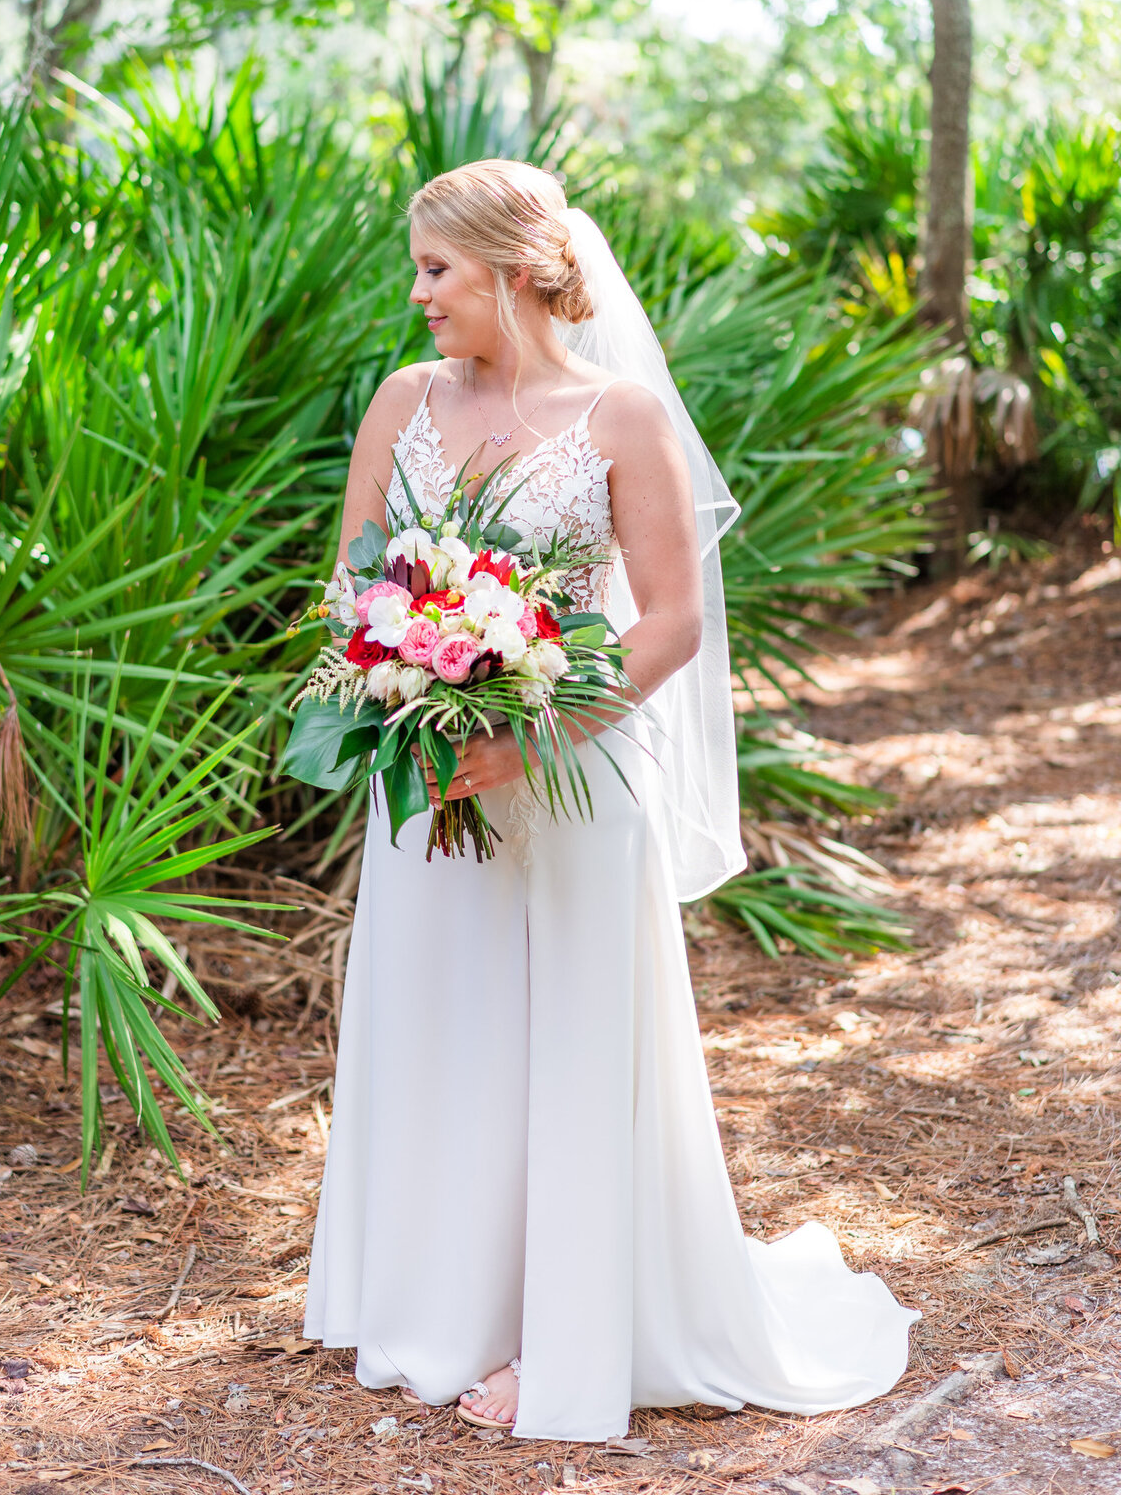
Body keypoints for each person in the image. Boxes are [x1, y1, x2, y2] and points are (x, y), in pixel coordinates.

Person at [302, 158, 917, 1443]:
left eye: (436, 270)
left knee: (565, 1046)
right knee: (442, 1025)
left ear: (517, 272)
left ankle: (568, 1330)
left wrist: (530, 737)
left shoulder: (620, 418)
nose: (418, 297)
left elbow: (676, 622)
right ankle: (438, 1303)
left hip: (571, 780)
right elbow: (349, 590)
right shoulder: (401, 403)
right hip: (428, 779)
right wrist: (396, 694)